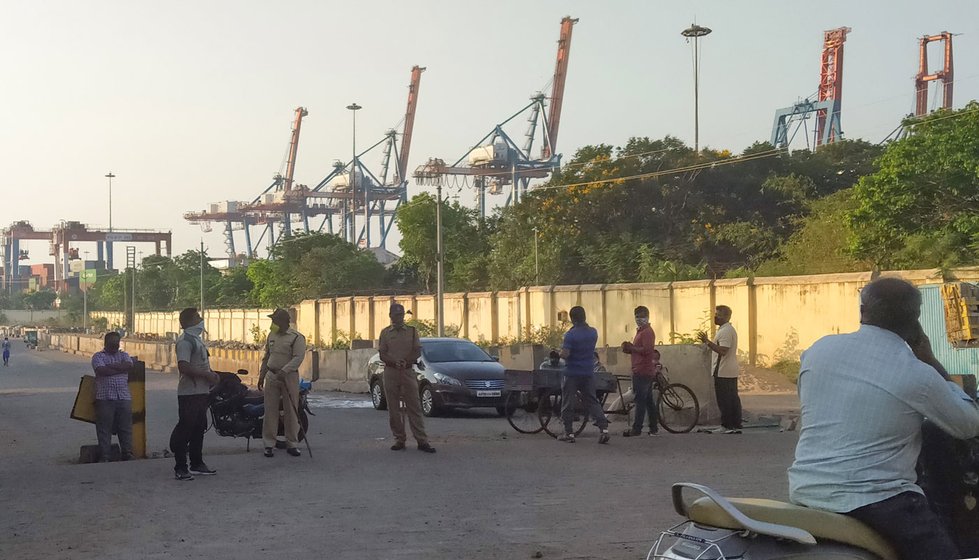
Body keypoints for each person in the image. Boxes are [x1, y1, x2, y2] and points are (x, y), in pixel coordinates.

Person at [788, 277, 979, 560]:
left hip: (806, 491)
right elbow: (967, 425)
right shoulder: (916, 373)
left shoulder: (818, 351)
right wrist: (932, 361)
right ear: (916, 319)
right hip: (881, 502)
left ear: (863, 311)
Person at [169, 307, 219, 481]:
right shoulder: (185, 341)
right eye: (197, 316)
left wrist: (211, 374)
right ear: (189, 321)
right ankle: (180, 467)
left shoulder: (197, 340)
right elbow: (184, 366)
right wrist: (206, 375)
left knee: (199, 428)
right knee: (186, 429)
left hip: (201, 391)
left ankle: (197, 463)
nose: (200, 319)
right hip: (189, 392)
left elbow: (202, 363)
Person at [378, 303, 435, 453]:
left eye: (401, 315)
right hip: (391, 372)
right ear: (390, 316)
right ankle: (399, 439)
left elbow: (417, 350)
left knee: (414, 406)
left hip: (408, 371)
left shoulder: (412, 331)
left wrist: (407, 361)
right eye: (396, 315)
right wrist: (393, 362)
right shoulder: (385, 333)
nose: (399, 318)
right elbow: (382, 353)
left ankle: (422, 440)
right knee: (394, 408)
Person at [257, 308, 306, 458]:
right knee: (270, 410)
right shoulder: (272, 335)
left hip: (288, 376)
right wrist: (262, 374)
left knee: (291, 410)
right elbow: (267, 356)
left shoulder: (296, 337)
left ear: (284, 322)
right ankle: (269, 444)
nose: (273, 323)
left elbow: (298, 357)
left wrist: (284, 371)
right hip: (272, 375)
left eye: (275, 320)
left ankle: (292, 443)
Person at [558, 306, 610, 444]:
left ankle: (569, 433)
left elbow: (566, 354)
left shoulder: (570, 335)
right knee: (592, 401)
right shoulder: (593, 332)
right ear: (585, 316)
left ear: (572, 318)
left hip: (572, 373)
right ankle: (604, 429)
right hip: (588, 372)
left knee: (568, 402)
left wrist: (559, 353)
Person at [91, 332, 134, 461]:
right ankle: (105, 455)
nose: (115, 345)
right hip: (105, 398)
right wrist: (120, 369)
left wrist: (111, 367)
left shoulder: (124, 355)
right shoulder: (98, 356)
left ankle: (127, 453)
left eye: (117, 343)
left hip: (123, 397)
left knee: (125, 427)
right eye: (112, 343)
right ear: (106, 343)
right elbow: (101, 370)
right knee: (104, 428)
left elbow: (129, 365)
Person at [698, 305, 741, 434]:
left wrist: (707, 342)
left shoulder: (726, 331)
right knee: (732, 398)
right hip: (728, 370)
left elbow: (723, 350)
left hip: (723, 370)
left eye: (719, 315)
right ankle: (735, 424)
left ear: (727, 317)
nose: (715, 317)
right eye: (715, 314)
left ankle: (727, 425)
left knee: (724, 399)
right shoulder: (725, 330)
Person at [621, 306, 659, 436]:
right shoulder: (641, 332)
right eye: (637, 316)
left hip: (642, 370)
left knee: (640, 401)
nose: (639, 318)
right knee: (648, 401)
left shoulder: (647, 332)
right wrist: (631, 349)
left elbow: (647, 350)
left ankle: (637, 428)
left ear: (647, 316)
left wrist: (632, 348)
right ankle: (653, 428)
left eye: (642, 316)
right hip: (641, 369)